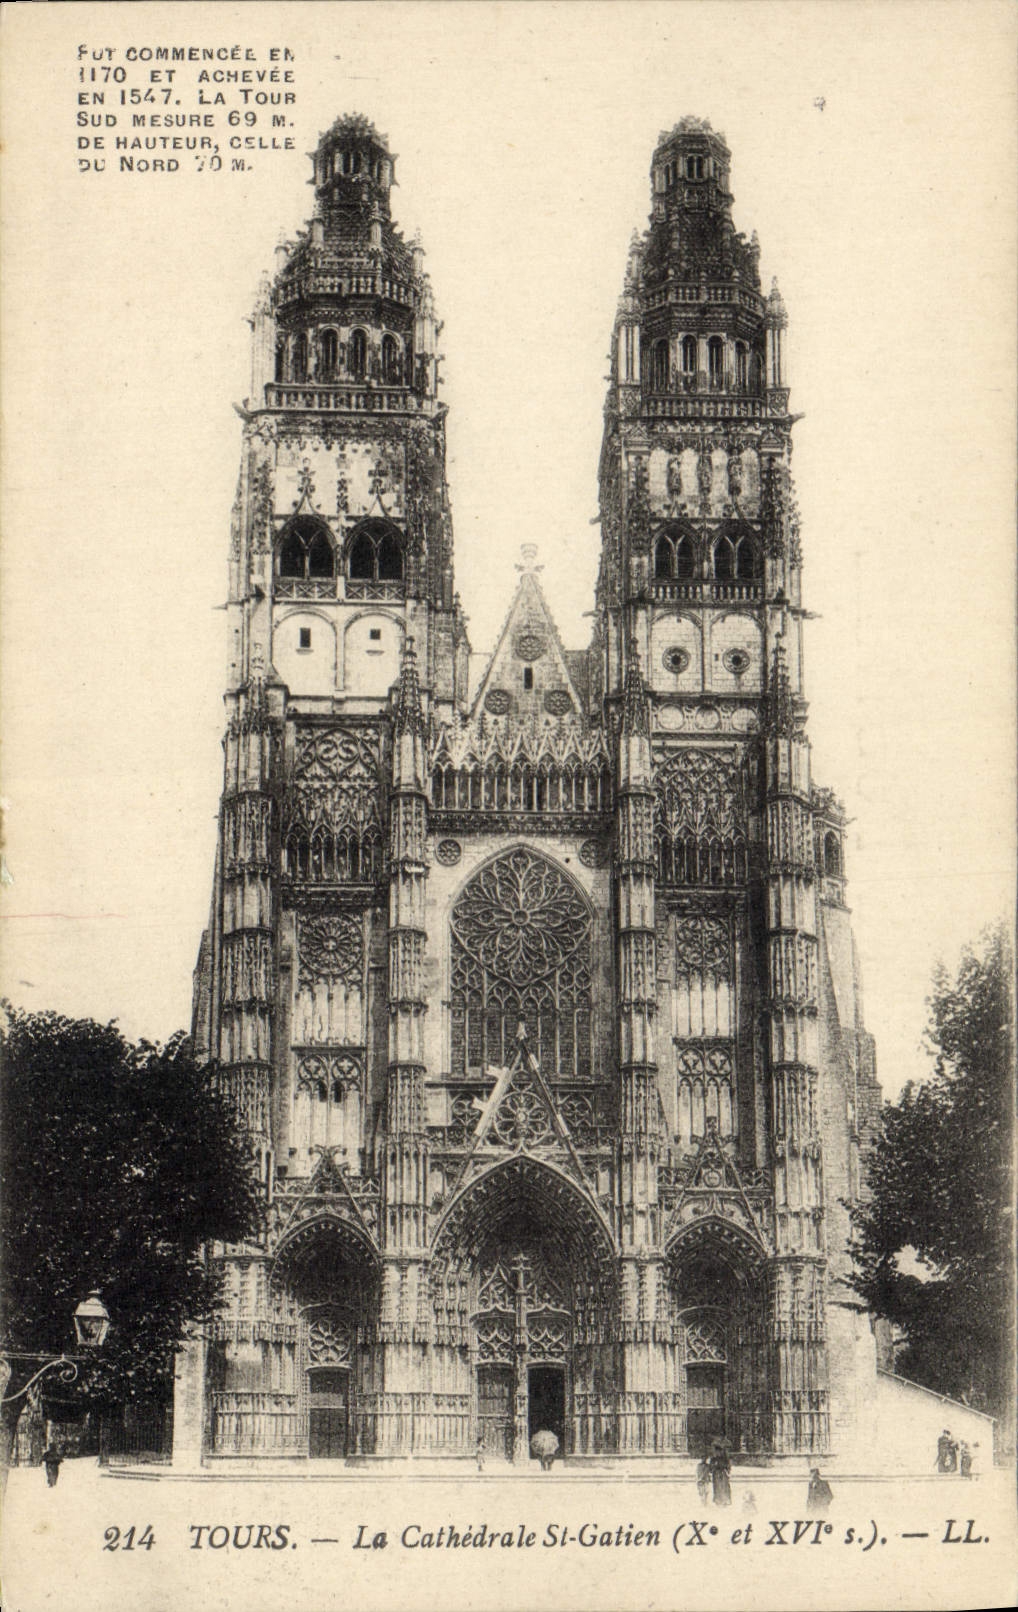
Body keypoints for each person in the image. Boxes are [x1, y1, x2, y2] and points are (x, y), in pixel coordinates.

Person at [709, 1440, 732, 1507]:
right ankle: (718, 1500)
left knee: (724, 1487)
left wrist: (727, 1470)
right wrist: (713, 1468)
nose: (717, 1453)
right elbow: (710, 1467)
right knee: (717, 1488)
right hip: (716, 1474)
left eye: (718, 1451)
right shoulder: (713, 1459)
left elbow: (728, 1466)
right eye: (716, 1451)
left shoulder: (724, 1458)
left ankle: (725, 1500)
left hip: (723, 1474)